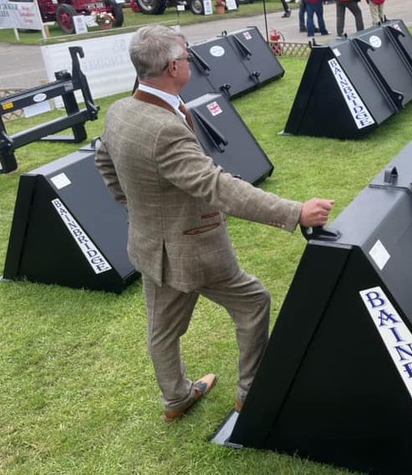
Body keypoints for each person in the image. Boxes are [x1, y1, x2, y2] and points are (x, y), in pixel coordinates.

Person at [94, 25, 334, 423]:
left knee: (162, 331)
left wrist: (137, 210)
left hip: (149, 247)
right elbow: (217, 187)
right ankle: (250, 393)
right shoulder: (165, 129)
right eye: (187, 57)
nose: (190, 62)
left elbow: (103, 161)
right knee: (254, 303)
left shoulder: (120, 110)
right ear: (173, 67)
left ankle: (176, 399)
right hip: (195, 250)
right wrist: (295, 212)